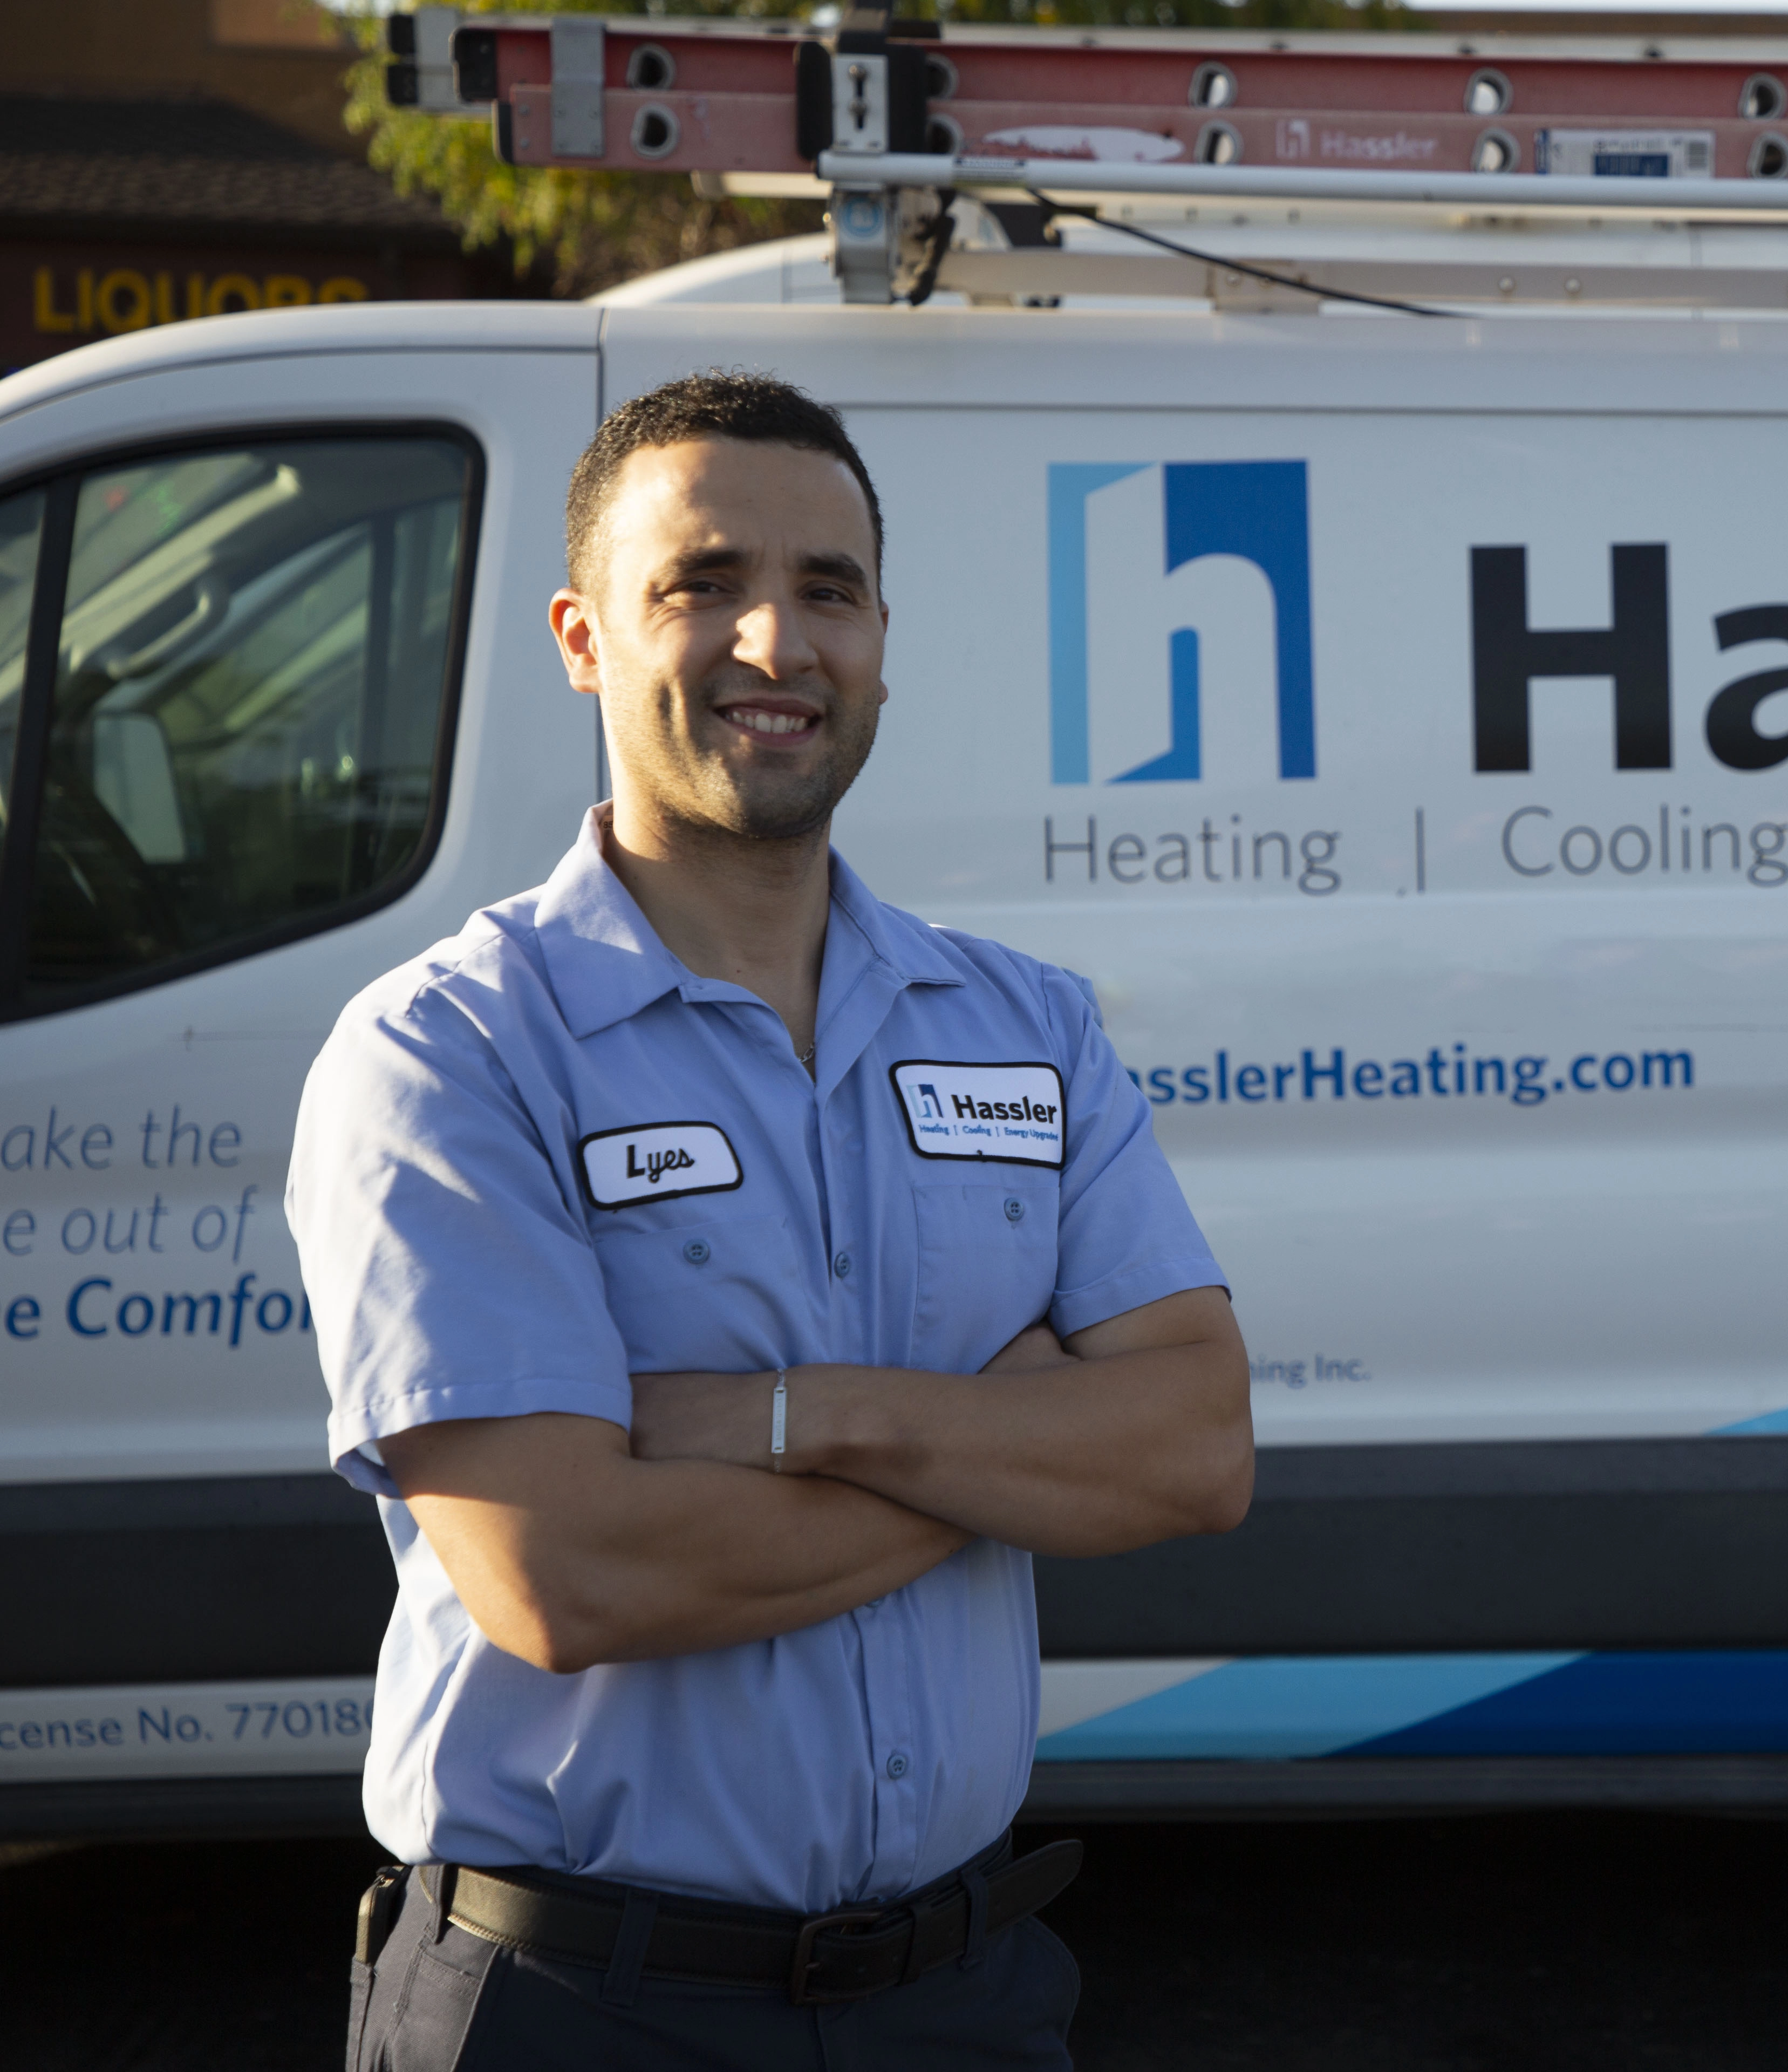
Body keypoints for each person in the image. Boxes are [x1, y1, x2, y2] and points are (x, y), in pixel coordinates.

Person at [289, 370, 1253, 2068]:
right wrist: (1008, 1441)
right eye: (704, 584)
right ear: (584, 637)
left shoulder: (1026, 1027)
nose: (774, 643)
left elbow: (1194, 1453)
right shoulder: (451, 1052)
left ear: (884, 632)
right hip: (582, 2005)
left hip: (961, 2000)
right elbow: (564, 1570)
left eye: (829, 589)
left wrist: (822, 1418)